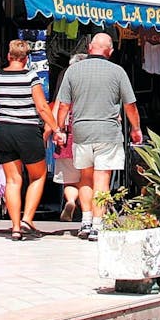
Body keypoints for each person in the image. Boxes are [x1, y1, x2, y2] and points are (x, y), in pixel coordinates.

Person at [54, 32, 141, 241]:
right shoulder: (118, 72)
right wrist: (135, 129)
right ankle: (97, 225)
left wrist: (60, 129)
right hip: (108, 132)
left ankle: (84, 222)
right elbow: (130, 105)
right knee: (102, 178)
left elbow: (64, 105)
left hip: (82, 131)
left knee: (84, 176)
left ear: (90, 48)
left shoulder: (72, 71)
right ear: (110, 51)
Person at [0, 39, 59, 241]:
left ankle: (15, 228)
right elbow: (42, 108)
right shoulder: (30, 77)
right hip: (27, 131)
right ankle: (27, 219)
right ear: (26, 59)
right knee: (38, 176)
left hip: (4, 131)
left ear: (9, 56)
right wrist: (56, 128)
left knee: (13, 180)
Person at [50, 53, 87, 222]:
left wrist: (57, 131)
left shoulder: (66, 82)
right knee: (87, 178)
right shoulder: (90, 87)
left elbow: (58, 107)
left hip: (67, 136)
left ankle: (71, 201)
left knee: (70, 180)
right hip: (88, 136)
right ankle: (88, 215)